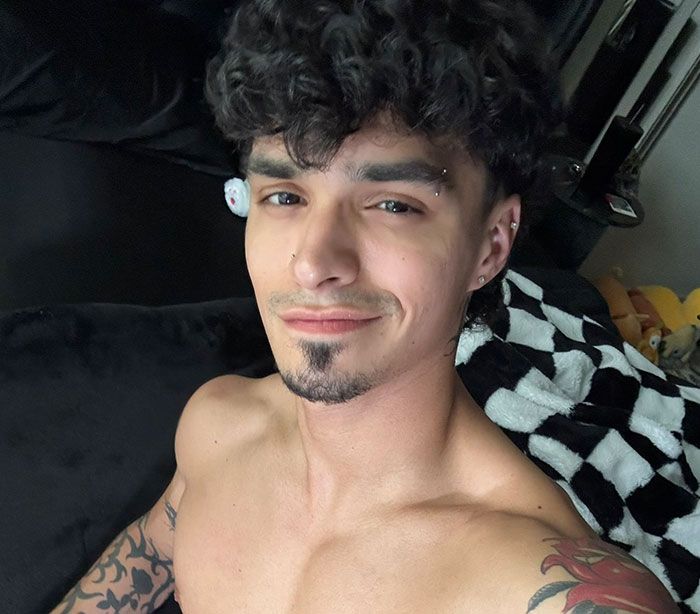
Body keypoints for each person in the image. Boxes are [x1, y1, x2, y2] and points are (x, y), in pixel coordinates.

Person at [50, 0, 680, 612]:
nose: (313, 262)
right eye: (284, 196)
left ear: (491, 246)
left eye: (393, 205)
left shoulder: (543, 593)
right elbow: (153, 548)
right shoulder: (216, 426)